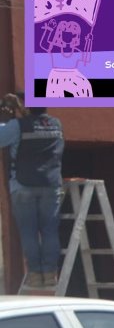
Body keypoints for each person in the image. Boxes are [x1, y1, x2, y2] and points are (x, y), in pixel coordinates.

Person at [0, 93, 65, 288]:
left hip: (23, 185)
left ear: (26, 108)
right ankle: (50, 273)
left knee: (28, 231)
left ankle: (36, 275)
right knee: (49, 231)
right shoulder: (57, 124)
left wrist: (5, 118)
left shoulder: (18, 125)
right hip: (50, 184)